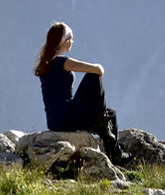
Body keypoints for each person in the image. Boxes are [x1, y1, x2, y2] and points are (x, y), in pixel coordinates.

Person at [34, 21, 129, 164]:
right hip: (65, 118)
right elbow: (97, 70)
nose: (72, 41)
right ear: (62, 41)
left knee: (112, 114)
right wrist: (99, 67)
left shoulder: (48, 62)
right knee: (93, 77)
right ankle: (101, 120)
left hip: (59, 119)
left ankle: (115, 153)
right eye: (69, 38)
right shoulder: (61, 62)